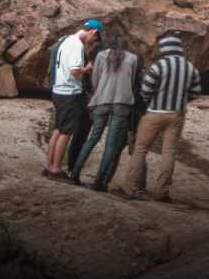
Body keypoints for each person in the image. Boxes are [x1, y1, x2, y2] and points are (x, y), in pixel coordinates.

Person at [125, 32, 201, 202]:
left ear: (164, 49)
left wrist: (150, 102)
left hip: (154, 112)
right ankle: (162, 192)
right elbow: (195, 93)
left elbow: (145, 90)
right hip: (177, 114)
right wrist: (181, 101)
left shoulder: (158, 66)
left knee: (140, 149)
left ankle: (131, 187)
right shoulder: (190, 68)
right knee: (169, 152)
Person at [68, 32, 140, 191]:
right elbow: (132, 80)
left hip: (102, 99)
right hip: (122, 102)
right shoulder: (132, 58)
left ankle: (75, 173)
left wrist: (100, 90)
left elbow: (95, 79)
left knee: (93, 137)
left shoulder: (101, 56)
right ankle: (99, 182)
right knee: (111, 144)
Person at [42, 19, 101, 179]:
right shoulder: (77, 45)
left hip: (57, 90)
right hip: (69, 93)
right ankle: (55, 169)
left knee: (58, 129)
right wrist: (87, 69)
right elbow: (74, 71)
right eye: (94, 39)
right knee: (66, 133)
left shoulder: (66, 39)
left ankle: (48, 166)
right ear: (93, 32)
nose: (92, 43)